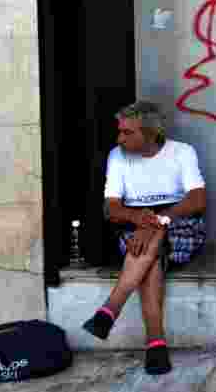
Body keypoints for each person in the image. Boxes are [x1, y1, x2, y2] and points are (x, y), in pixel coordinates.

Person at [81, 100, 207, 376]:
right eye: (120, 132)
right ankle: (155, 343)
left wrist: (157, 221)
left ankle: (110, 309)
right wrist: (142, 220)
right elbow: (111, 208)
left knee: (152, 242)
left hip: (180, 226)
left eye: (128, 133)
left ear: (151, 134)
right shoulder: (117, 156)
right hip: (135, 229)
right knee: (151, 257)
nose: (119, 138)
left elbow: (197, 200)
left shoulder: (182, 153)